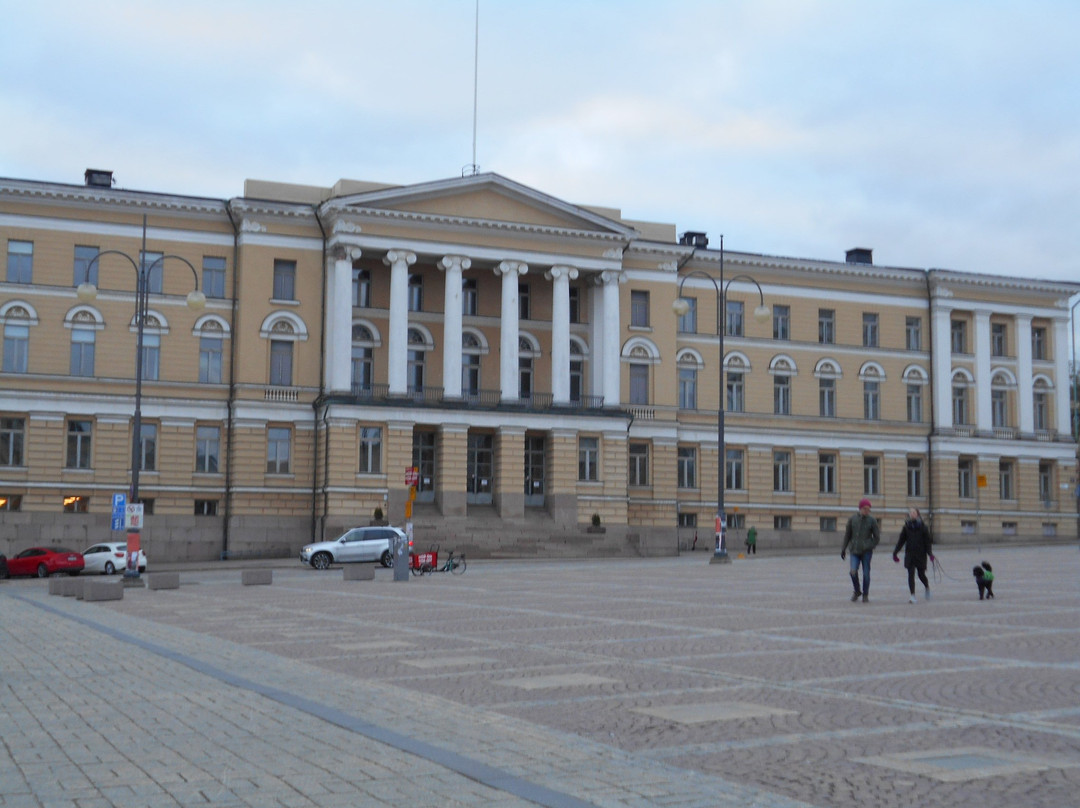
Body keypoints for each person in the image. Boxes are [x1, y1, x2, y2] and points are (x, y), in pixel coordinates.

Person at [841, 498, 880, 602]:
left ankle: (865, 594)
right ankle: (857, 591)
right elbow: (847, 535)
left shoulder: (872, 520)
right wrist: (843, 549)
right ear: (860, 508)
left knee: (866, 573)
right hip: (854, 550)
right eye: (865, 509)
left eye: (869, 509)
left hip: (866, 551)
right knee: (853, 572)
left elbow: (877, 537)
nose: (867, 511)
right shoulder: (853, 519)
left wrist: (869, 545)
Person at [892, 507, 934, 603]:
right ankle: (912, 595)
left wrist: (930, 554)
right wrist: (895, 553)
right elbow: (901, 541)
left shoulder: (923, 527)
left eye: (914, 512)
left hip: (920, 555)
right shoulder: (906, 527)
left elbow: (928, 542)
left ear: (918, 514)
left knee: (921, 575)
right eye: (910, 512)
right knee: (910, 574)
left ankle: (927, 587)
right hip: (910, 554)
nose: (912, 514)